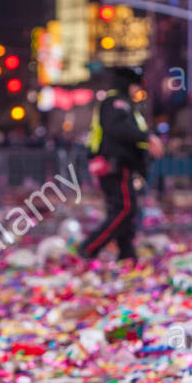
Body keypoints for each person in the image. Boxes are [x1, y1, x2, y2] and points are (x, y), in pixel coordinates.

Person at [78, 67, 159, 262]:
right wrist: (147, 138)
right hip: (116, 166)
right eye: (135, 86)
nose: (137, 91)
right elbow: (120, 129)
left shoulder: (121, 103)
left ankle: (126, 256)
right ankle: (89, 248)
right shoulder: (116, 103)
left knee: (125, 213)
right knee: (124, 209)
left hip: (120, 166)